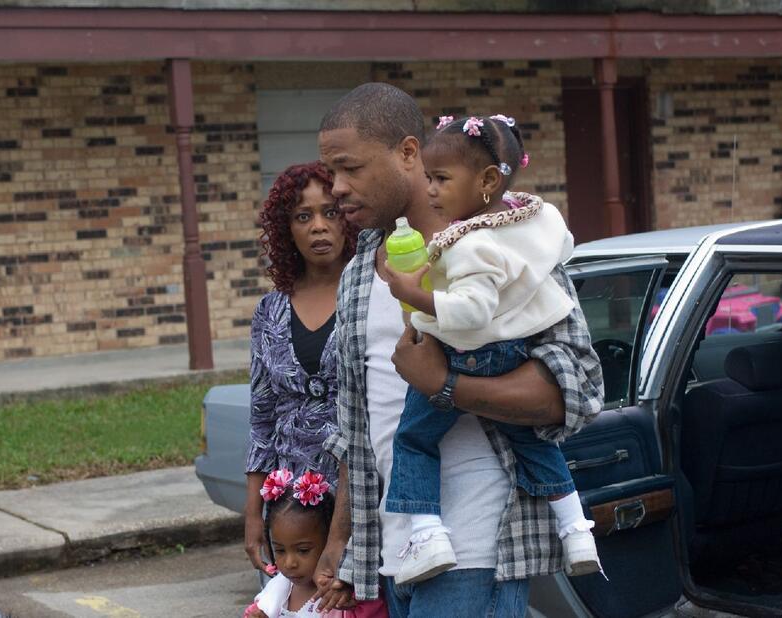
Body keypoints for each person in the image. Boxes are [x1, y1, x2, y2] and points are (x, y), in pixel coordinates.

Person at [314, 82, 604, 617]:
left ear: (408, 153)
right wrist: (342, 540)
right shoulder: (358, 273)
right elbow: (359, 423)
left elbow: (577, 390)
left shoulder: (504, 250)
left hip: (476, 547)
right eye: (331, 171)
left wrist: (443, 385)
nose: (335, 187)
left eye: (350, 168)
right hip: (395, 549)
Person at [382, 114, 600, 586]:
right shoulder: (532, 219)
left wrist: (412, 291)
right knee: (529, 441)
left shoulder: (469, 245)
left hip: (469, 355)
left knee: (414, 439)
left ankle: (427, 534)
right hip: (518, 353)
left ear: (486, 181)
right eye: (428, 180)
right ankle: (576, 528)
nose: (432, 191)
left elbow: (471, 312)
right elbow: (562, 247)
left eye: (441, 179)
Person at [244, 161, 358, 574]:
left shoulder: (371, 293)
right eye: (302, 216)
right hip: (290, 509)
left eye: (330, 211)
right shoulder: (269, 310)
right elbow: (261, 419)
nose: (319, 227)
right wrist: (255, 514)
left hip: (360, 495)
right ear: (286, 229)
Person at [243, 469, 388, 617]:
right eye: (280, 550)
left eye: (303, 550)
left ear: (329, 544)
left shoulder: (348, 599)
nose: (289, 563)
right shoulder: (274, 594)